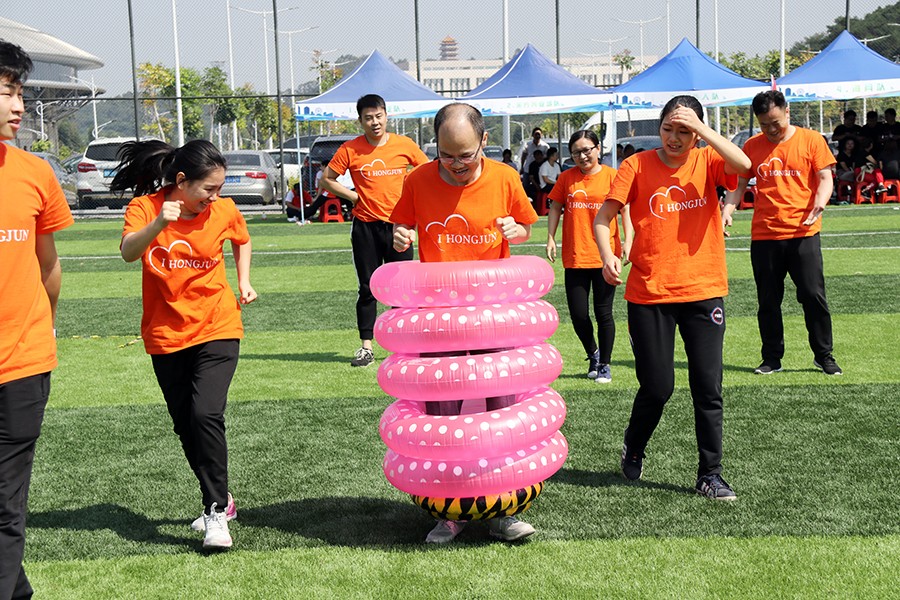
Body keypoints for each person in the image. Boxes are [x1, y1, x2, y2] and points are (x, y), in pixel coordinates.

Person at [391, 102, 539, 544]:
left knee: (501, 409)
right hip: (439, 318)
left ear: (484, 142)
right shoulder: (418, 180)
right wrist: (401, 236)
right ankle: (447, 510)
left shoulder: (505, 178)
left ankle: (504, 509)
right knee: (442, 412)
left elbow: (526, 227)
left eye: (466, 155)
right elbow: (401, 228)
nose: (456, 165)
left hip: (494, 315)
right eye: (446, 155)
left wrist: (516, 232)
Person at [594, 95, 751, 501]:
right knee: (658, 386)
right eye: (668, 129)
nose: (675, 138)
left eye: (685, 131)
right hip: (649, 293)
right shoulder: (636, 165)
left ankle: (710, 474)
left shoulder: (708, 159)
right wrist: (608, 255)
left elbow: (743, 165)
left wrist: (703, 131)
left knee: (708, 387)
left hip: (704, 290)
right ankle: (634, 444)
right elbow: (604, 217)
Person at [113, 139, 257, 550]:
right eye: (208, 188)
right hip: (166, 334)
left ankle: (215, 513)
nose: (215, 197)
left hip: (217, 325)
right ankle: (223, 496)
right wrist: (160, 223)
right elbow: (128, 252)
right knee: (185, 424)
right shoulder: (145, 209)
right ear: (181, 180)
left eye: (220, 188)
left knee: (205, 413)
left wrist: (244, 280)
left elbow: (242, 239)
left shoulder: (224, 210)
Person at [0, 39, 74, 600]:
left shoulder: (34, 172)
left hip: (23, 361)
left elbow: (48, 266)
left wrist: (43, 326)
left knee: (7, 501)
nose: (18, 105)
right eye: (7, 91)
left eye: (20, 92)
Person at [722, 90, 842, 376]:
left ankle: (824, 355)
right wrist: (728, 208)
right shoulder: (752, 146)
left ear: (787, 112)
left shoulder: (812, 140)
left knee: (813, 295)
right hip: (765, 236)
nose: (771, 129)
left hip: (804, 231)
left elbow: (825, 177)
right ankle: (771, 358)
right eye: (764, 124)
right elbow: (739, 183)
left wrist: (820, 202)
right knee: (768, 300)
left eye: (776, 122)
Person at [319, 94, 429, 367]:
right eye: (368, 118)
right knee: (367, 287)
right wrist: (353, 197)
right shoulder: (350, 149)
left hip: (399, 227)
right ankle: (366, 347)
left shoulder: (404, 145)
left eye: (379, 116)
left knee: (402, 289)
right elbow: (327, 180)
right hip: (365, 228)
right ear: (360, 121)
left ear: (386, 116)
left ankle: (403, 345)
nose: (375, 122)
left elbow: (427, 172)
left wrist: (413, 201)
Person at [546, 130, 628, 383]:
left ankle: (604, 364)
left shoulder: (613, 176)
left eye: (586, 150)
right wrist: (551, 237)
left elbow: (625, 210)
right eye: (576, 153)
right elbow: (556, 207)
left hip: (606, 257)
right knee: (578, 314)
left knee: (604, 313)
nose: (582, 156)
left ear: (598, 148)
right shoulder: (566, 178)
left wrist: (628, 240)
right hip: (576, 255)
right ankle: (593, 353)